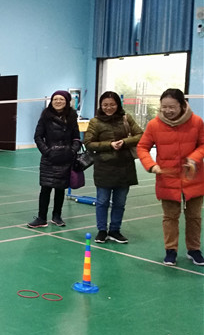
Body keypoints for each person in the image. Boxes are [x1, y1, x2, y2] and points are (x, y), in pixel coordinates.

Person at [137, 88, 204, 267]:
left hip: (193, 178)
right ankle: (170, 250)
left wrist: (193, 158)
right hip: (167, 179)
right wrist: (151, 165)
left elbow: (203, 145)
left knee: (194, 217)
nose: (167, 110)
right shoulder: (154, 125)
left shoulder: (197, 122)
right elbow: (142, 147)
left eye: (172, 107)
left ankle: (194, 250)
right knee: (170, 217)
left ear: (182, 105)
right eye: (164, 107)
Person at [84, 91, 143, 244]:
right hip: (104, 167)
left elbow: (140, 135)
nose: (108, 108)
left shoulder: (126, 118)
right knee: (102, 201)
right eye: (105, 105)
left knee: (120, 202)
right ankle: (102, 231)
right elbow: (88, 143)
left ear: (118, 105)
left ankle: (115, 230)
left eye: (112, 104)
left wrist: (124, 142)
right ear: (100, 105)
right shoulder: (95, 122)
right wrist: (109, 145)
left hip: (125, 166)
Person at [28, 90, 81, 228]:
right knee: (45, 188)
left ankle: (57, 216)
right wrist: (47, 152)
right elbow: (38, 137)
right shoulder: (45, 117)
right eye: (55, 99)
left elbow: (76, 137)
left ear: (66, 101)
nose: (58, 101)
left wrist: (72, 151)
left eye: (61, 99)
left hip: (65, 158)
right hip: (49, 159)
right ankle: (41, 218)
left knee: (60, 189)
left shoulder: (72, 117)